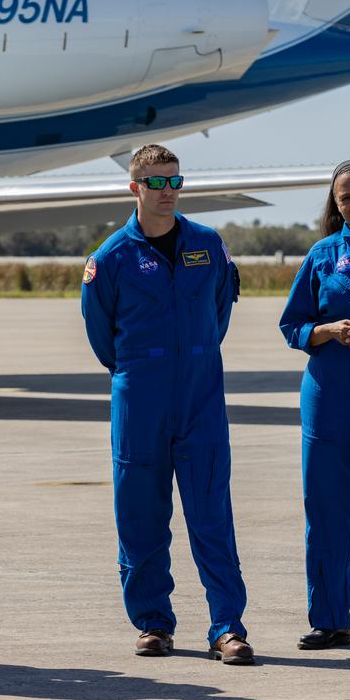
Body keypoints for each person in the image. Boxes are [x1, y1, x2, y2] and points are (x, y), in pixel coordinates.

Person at [81, 144, 254, 665]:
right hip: (139, 396)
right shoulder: (110, 258)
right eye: (155, 183)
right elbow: (100, 334)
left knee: (212, 515)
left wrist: (193, 356)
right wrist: (142, 367)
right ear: (134, 188)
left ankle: (227, 627)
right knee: (140, 516)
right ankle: (153, 623)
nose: (167, 192)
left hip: (200, 394)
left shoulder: (207, 244)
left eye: (174, 181)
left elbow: (219, 312)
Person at [278, 160, 350, 651]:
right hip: (327, 392)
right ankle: (330, 619)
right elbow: (292, 325)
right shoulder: (324, 254)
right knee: (325, 505)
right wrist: (326, 331)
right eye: (345, 199)